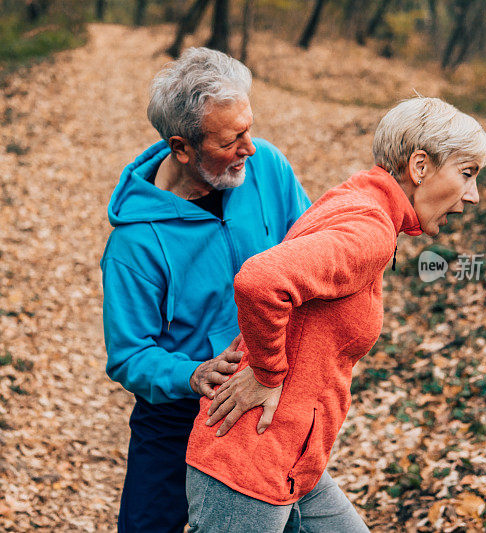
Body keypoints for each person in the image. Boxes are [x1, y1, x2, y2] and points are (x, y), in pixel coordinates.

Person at [185, 96, 486, 531]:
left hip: (296, 462)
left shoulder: (360, 200)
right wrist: (267, 374)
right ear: (419, 167)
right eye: (467, 173)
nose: (473, 195)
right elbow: (259, 281)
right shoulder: (369, 229)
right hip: (249, 460)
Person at [100, 47, 311, 533]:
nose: (250, 148)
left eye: (249, 128)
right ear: (181, 147)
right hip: (176, 418)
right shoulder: (134, 244)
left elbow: (308, 252)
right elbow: (129, 355)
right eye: (231, 139)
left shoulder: (268, 169)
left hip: (267, 396)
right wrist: (193, 374)